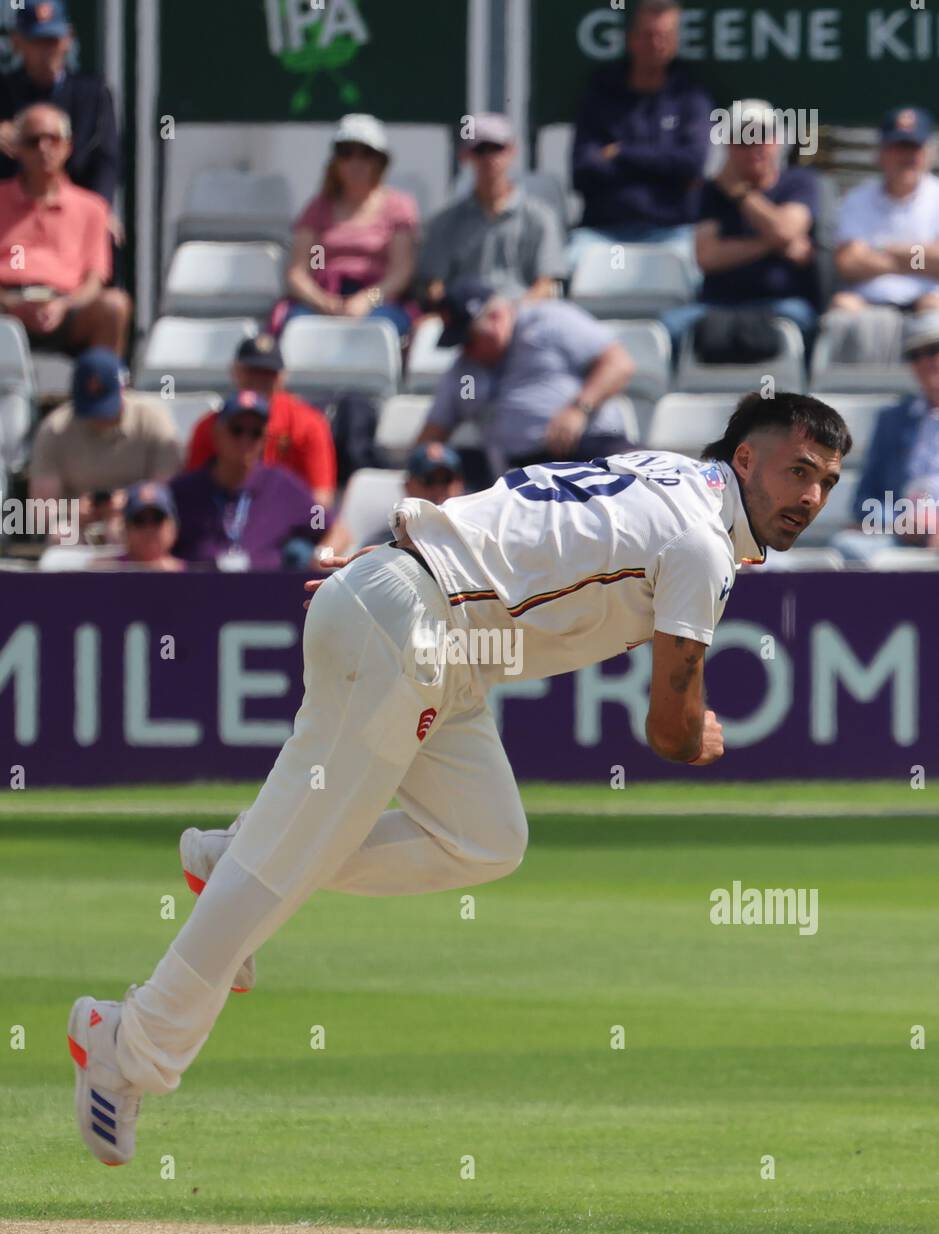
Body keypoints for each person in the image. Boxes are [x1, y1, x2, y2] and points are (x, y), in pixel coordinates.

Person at [66, 392, 851, 1163]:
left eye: (826, 483)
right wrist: (700, 736)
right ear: (744, 458)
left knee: (485, 838)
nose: (810, 496)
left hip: (433, 633)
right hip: (413, 626)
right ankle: (126, 1047)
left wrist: (392, 567)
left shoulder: (662, 472)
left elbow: (522, 515)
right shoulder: (702, 543)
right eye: (798, 471)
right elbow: (669, 731)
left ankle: (230, 857)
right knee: (280, 864)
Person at [417, 278, 635, 477]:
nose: (466, 351)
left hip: (592, 448)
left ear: (496, 317)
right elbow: (432, 434)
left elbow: (618, 364)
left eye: (470, 340)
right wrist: (424, 461)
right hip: (520, 472)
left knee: (639, 478)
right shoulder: (464, 368)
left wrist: (579, 408)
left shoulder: (549, 319)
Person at [660, 99, 820, 358]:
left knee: (806, 322)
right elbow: (708, 257)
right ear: (729, 146)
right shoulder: (710, 192)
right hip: (716, 305)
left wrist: (740, 194)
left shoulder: (800, 181)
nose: (754, 148)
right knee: (670, 327)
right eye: (744, 140)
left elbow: (785, 230)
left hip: (783, 303)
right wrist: (776, 243)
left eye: (761, 137)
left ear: (777, 140)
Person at [569, 0, 712, 268]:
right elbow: (583, 170)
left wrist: (620, 153)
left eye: (665, 36)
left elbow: (690, 164)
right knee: (570, 265)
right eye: (648, 35)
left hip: (673, 231)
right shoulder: (602, 94)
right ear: (631, 39)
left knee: (696, 270)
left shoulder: (690, 96)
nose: (656, 44)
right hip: (603, 231)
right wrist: (663, 170)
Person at [276, 113, 419, 339]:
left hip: (380, 301)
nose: (356, 162)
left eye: (366, 154)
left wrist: (366, 300)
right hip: (323, 297)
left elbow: (401, 272)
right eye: (346, 153)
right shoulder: (317, 208)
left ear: (379, 161)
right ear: (336, 161)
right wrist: (323, 301)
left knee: (378, 331)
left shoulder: (398, 207)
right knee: (295, 328)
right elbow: (299, 272)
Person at [0, 103, 129, 353]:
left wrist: (64, 305)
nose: (43, 149)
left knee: (114, 306)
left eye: (53, 140)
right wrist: (9, 302)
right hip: (6, 306)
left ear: (68, 147)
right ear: (16, 149)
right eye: (32, 141)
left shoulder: (92, 208)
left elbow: (95, 279)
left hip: (67, 306)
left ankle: (99, 389)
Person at [29, 348, 180, 542]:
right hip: (78, 525)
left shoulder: (154, 421)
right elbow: (41, 509)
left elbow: (168, 492)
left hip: (139, 520)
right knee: (61, 535)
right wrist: (75, 511)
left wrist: (130, 504)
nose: (99, 416)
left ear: (123, 389)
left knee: (120, 533)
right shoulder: (54, 429)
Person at [418, 113, 565, 305]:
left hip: (524, 314)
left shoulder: (541, 217)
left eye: (496, 148)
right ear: (466, 155)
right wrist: (458, 311)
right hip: (466, 318)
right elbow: (433, 286)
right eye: (480, 150)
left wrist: (510, 313)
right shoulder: (444, 222)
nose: (489, 158)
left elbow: (547, 285)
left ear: (512, 151)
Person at [170, 391, 322, 572]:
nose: (245, 440)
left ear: (264, 439)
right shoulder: (184, 490)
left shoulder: (281, 485)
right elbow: (146, 533)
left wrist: (322, 556)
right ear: (217, 434)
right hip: (195, 592)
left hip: (267, 593)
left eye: (255, 433)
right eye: (237, 430)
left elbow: (331, 526)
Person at [833, 312, 939, 561]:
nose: (926, 362)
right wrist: (904, 523)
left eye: (934, 350)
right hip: (901, 535)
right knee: (847, 546)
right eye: (915, 355)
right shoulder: (892, 419)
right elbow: (863, 499)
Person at [185, 333, 336, 506]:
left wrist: (314, 529)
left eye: (267, 374)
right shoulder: (210, 427)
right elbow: (192, 490)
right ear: (235, 372)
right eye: (252, 372)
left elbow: (321, 498)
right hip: (223, 517)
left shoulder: (308, 425)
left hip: (287, 518)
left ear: (282, 377)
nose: (259, 380)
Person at [0, 0, 120, 206]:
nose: (45, 51)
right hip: (10, 211)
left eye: (52, 41)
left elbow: (105, 161)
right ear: (17, 42)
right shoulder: (3, 92)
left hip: (75, 208)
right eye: (36, 42)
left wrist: (100, 210)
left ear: (68, 39)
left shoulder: (92, 94)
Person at [832, 108, 939, 315]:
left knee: (933, 313)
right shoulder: (857, 199)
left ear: (927, 153)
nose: (907, 157)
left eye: (913, 148)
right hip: (868, 301)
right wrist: (917, 258)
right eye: (899, 147)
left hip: (928, 301)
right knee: (842, 306)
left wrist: (882, 249)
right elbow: (848, 264)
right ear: (881, 153)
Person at [322, 441, 465, 558]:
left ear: (460, 484)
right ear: (408, 486)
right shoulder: (385, 544)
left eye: (446, 480)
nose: (438, 489)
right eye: (428, 480)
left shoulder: (474, 534)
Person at [90, 482, 186, 572]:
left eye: (157, 519)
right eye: (139, 520)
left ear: (173, 527)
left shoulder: (190, 577)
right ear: (126, 528)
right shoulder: (103, 572)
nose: (149, 529)